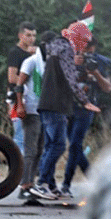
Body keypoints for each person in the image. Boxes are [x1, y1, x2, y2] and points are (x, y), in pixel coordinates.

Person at [32, 22, 100, 199]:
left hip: (47, 103)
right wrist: (85, 101)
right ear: (77, 38)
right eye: (83, 41)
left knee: (50, 144)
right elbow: (71, 79)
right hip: (56, 104)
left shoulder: (55, 46)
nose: (84, 46)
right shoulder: (67, 50)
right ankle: (42, 184)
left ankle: (49, 184)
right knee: (59, 144)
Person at [61, 36, 111, 198]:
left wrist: (95, 73)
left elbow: (108, 88)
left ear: (94, 48)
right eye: (81, 48)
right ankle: (94, 180)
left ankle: (66, 184)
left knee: (75, 144)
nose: (84, 52)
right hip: (69, 106)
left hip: (87, 107)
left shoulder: (101, 62)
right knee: (74, 147)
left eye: (88, 49)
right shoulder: (70, 58)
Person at [14, 31, 58, 201]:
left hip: (44, 110)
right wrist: (20, 105)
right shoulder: (32, 61)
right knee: (31, 151)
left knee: (40, 150)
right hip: (30, 110)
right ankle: (24, 185)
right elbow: (19, 84)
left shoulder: (50, 64)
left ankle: (31, 185)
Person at [6, 21, 37, 154]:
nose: (31, 38)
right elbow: (12, 78)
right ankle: (18, 168)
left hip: (30, 98)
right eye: (28, 35)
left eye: (34, 35)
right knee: (19, 135)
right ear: (20, 35)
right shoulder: (15, 52)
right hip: (17, 98)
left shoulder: (34, 53)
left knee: (29, 136)